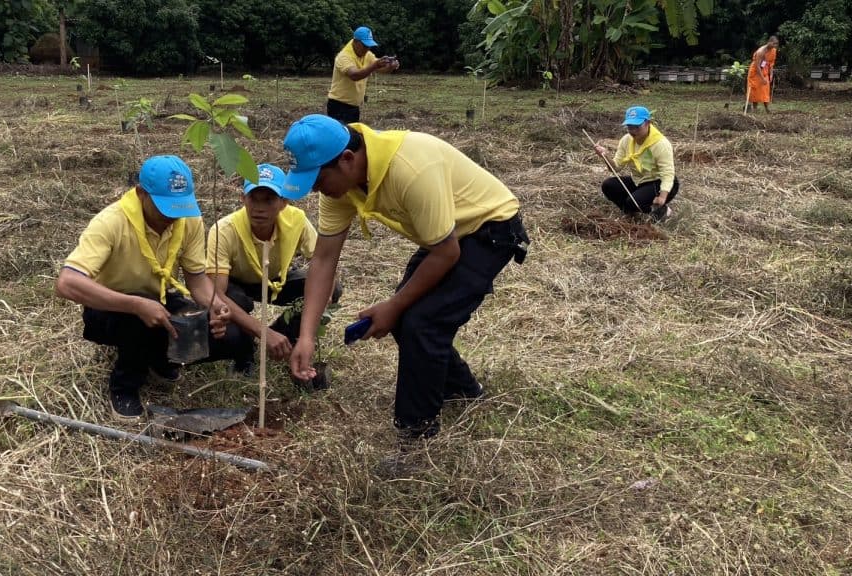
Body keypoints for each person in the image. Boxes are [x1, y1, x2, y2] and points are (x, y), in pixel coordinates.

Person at [280, 114, 529, 441]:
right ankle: (463, 390)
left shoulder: (410, 169)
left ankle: (416, 431)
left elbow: (447, 253)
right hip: (445, 236)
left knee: (422, 321)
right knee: (408, 316)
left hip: (489, 229)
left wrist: (394, 305)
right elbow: (324, 260)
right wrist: (307, 336)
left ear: (347, 159)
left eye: (317, 179)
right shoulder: (342, 185)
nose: (315, 189)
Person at [55, 155, 252, 419]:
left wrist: (215, 304)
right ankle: (124, 386)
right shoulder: (111, 222)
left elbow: (196, 280)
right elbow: (67, 283)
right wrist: (135, 304)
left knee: (230, 337)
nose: (172, 217)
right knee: (138, 318)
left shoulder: (188, 219)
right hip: (110, 310)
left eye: (179, 208)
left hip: (160, 300)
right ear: (141, 193)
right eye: (164, 208)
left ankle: (159, 361)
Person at [205, 163, 342, 387]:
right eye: (254, 199)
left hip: (275, 280)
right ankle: (244, 354)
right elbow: (217, 294)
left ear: (284, 202)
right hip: (236, 283)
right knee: (233, 302)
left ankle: (286, 339)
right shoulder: (224, 229)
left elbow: (324, 263)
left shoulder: (297, 220)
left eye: (269, 200)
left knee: (330, 288)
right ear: (243, 199)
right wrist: (263, 332)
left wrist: (312, 324)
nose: (259, 208)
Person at [593, 106, 679, 221]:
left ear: (648, 123)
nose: (633, 131)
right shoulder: (626, 140)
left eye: (637, 127)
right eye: (630, 127)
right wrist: (605, 156)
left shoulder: (661, 144)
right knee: (608, 185)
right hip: (639, 180)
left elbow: (668, 173)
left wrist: (662, 196)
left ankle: (662, 211)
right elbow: (616, 168)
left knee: (633, 201)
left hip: (659, 181)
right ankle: (631, 212)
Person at [326, 26, 400, 124]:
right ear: (355, 42)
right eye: (364, 45)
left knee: (352, 137)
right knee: (340, 137)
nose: (367, 48)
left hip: (354, 107)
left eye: (369, 46)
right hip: (339, 107)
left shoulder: (367, 54)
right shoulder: (343, 57)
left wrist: (391, 66)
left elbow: (380, 69)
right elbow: (354, 75)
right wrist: (375, 65)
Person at [747, 35, 778, 113]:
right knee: (755, 89)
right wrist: (762, 78)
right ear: (769, 42)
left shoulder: (773, 51)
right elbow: (757, 66)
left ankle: (767, 108)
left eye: (776, 44)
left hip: (764, 69)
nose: (775, 46)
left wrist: (771, 74)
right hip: (755, 71)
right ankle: (755, 108)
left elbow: (771, 63)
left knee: (765, 89)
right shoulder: (761, 51)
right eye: (774, 44)